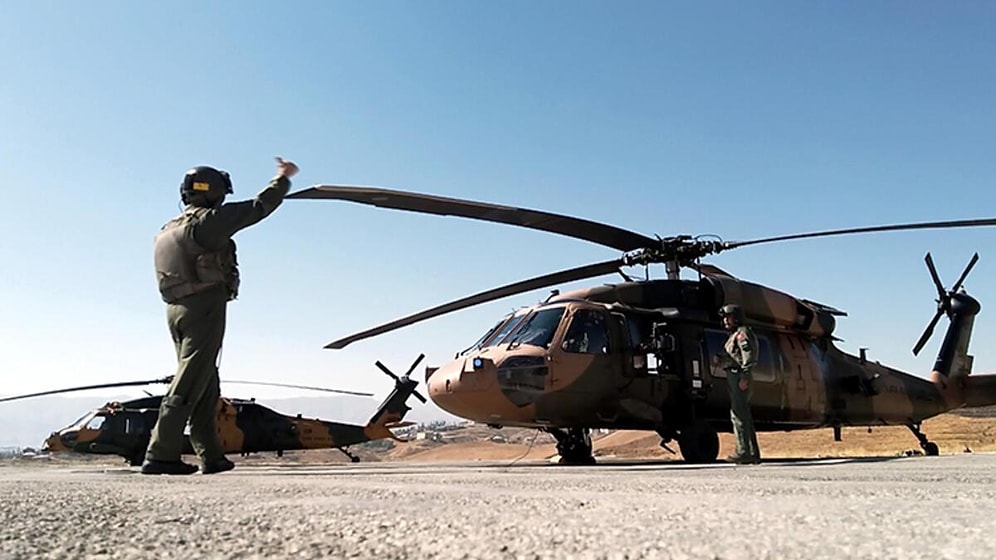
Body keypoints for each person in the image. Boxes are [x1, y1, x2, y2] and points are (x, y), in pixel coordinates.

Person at [141, 157, 299, 475]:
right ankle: (161, 454)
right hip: (204, 307)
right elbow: (257, 207)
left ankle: (211, 455)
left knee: (205, 381)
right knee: (189, 381)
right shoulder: (208, 223)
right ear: (213, 193)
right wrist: (282, 178)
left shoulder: (169, 229)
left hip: (175, 310)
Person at [719, 303, 761, 465]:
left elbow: (748, 357)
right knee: (743, 415)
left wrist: (744, 376)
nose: (725, 321)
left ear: (736, 318)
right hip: (734, 375)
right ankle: (751, 452)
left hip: (739, 377)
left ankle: (743, 451)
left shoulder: (742, 334)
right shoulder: (734, 335)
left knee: (738, 415)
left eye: (728, 317)